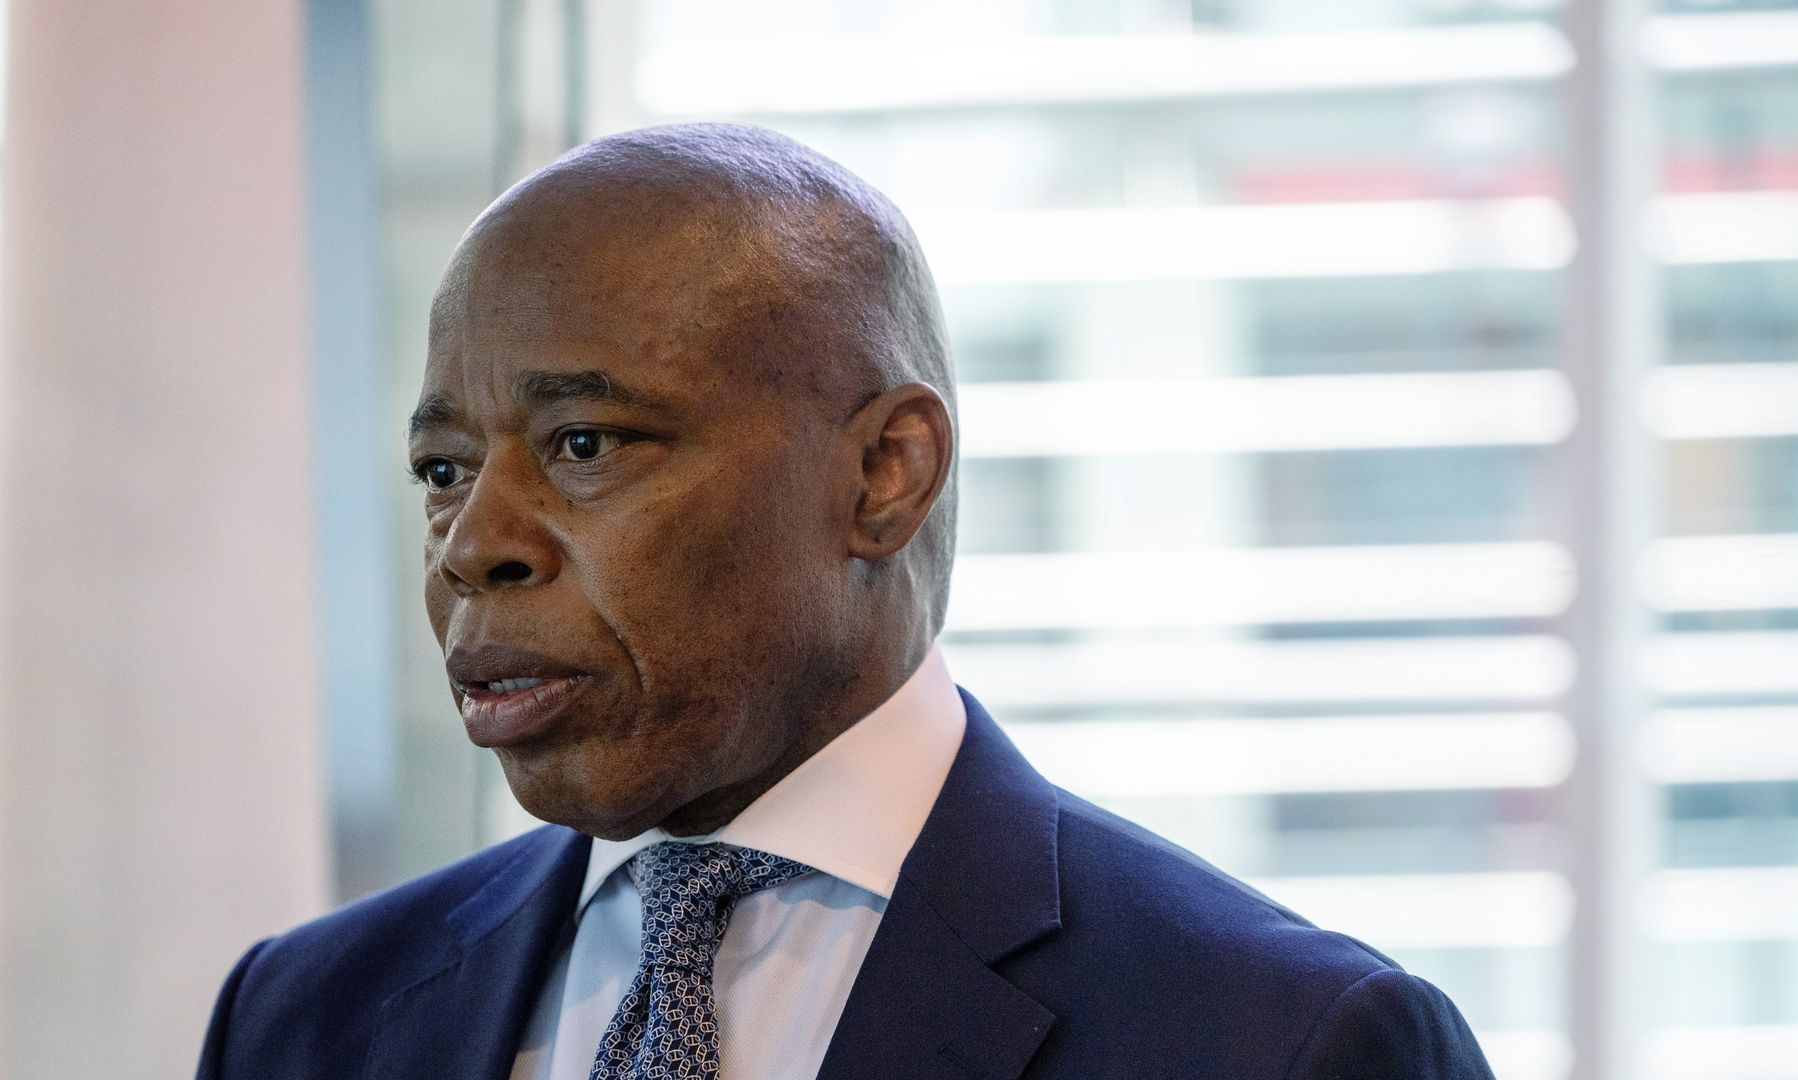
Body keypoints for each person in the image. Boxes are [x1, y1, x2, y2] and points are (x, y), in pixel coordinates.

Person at [195, 123, 1496, 1080]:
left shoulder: (1285, 1043)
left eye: (587, 444)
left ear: (886, 474)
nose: (474, 544)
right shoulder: (304, 1021)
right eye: (442, 470)